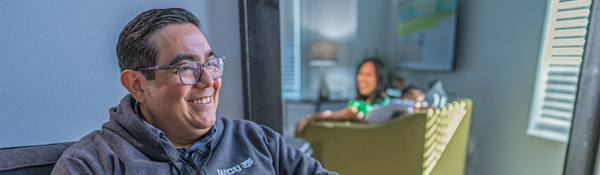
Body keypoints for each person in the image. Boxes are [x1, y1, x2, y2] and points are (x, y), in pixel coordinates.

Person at [52, 8, 337, 175]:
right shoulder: (92, 164)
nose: (208, 80)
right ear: (137, 85)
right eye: (186, 68)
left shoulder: (257, 141)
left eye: (211, 63)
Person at [296, 58, 390, 132]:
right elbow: (333, 115)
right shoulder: (355, 105)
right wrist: (309, 118)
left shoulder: (386, 104)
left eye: (369, 75)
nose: (362, 79)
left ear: (381, 79)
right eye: (360, 74)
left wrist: (357, 119)